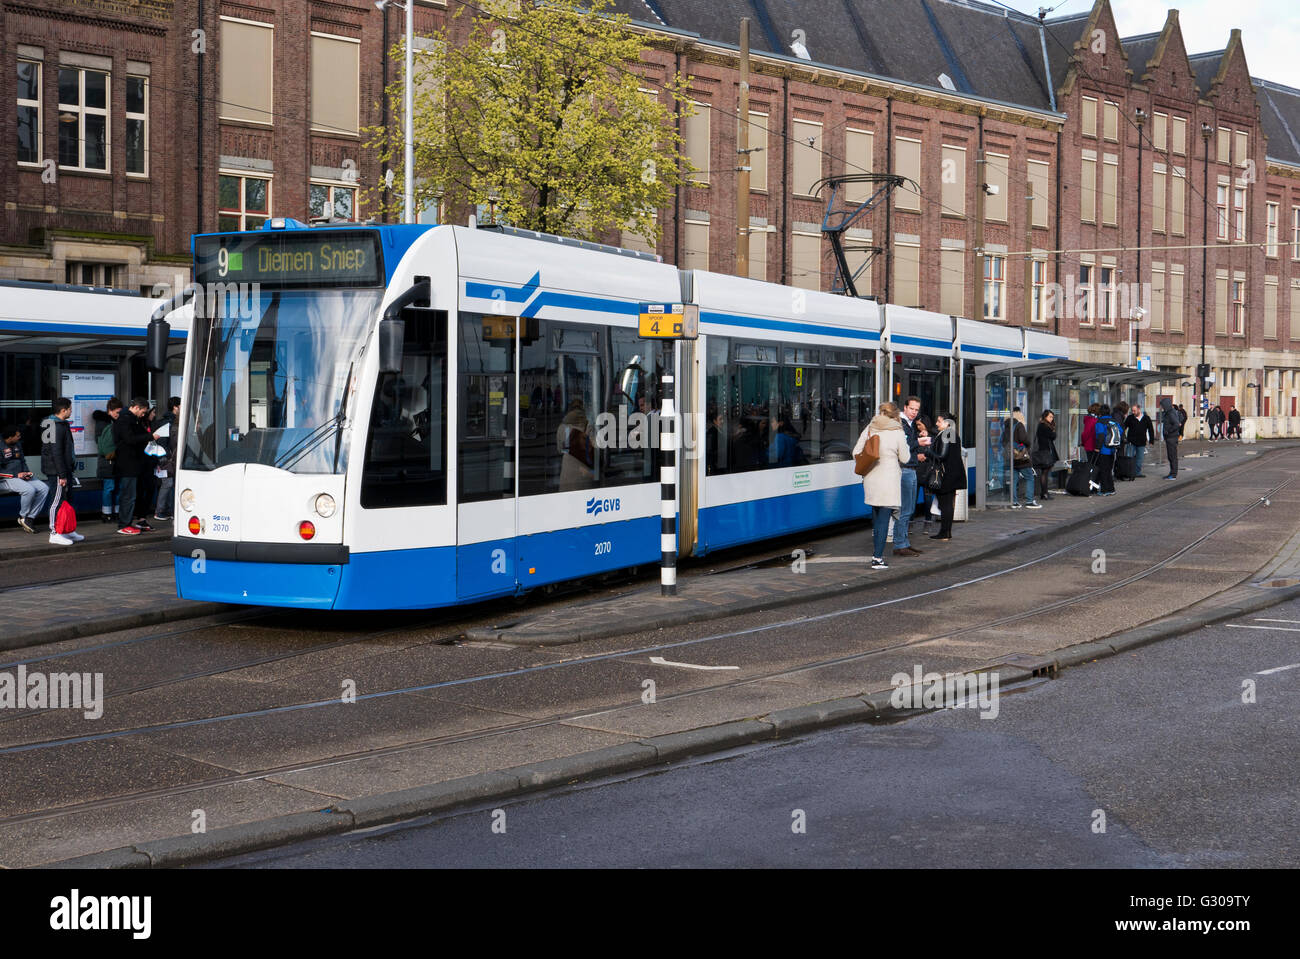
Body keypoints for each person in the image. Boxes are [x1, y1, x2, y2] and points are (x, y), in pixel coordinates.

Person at [853, 402, 910, 569]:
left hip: (871, 478)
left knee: (877, 518)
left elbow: (856, 451)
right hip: (889, 480)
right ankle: (877, 558)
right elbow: (905, 458)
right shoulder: (897, 431)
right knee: (883, 520)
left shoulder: (871, 428)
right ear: (895, 415)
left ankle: (876, 554)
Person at [40, 397, 82, 546]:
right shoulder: (56, 426)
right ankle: (54, 532)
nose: (71, 411)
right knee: (56, 501)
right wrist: (62, 474)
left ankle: (66, 530)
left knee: (66, 500)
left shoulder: (57, 424)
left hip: (63, 469)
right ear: (63, 410)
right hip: (57, 470)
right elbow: (56, 452)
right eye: (70, 409)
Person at [112, 397, 153, 534]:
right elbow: (129, 439)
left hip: (133, 463)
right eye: (143, 412)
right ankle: (124, 524)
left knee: (132, 494)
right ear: (136, 408)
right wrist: (150, 437)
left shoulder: (132, 420)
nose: (143, 415)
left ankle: (128, 522)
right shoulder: (125, 420)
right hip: (127, 464)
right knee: (128, 495)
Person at [894, 396, 926, 557]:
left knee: (909, 508)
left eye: (916, 410)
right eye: (912, 409)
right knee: (905, 509)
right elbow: (904, 446)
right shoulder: (901, 424)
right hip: (905, 469)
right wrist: (919, 443)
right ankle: (900, 544)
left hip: (911, 468)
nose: (914, 412)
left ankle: (904, 542)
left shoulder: (910, 424)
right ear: (905, 408)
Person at [1, 424, 49, 533]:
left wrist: (27, 472)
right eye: (17, 436)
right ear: (9, 437)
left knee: (44, 488)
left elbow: (22, 461)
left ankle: (29, 518)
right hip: (6, 478)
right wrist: (15, 475)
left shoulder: (17, 443)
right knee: (29, 490)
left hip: (20, 476)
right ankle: (23, 516)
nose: (20, 437)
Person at [928, 412, 967, 541]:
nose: (937, 423)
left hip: (946, 475)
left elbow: (942, 455)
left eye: (939, 421)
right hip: (952, 474)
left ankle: (945, 532)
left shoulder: (946, 434)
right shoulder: (951, 433)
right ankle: (946, 532)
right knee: (948, 503)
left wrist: (928, 452)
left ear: (947, 423)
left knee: (945, 504)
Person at [556, 398, 596, 490]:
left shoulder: (562, 427)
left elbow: (559, 450)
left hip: (567, 468)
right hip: (583, 469)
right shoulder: (588, 425)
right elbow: (593, 447)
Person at [94, 398, 122, 523]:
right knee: (110, 487)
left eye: (120, 412)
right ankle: (107, 513)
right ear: (109, 411)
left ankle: (115, 512)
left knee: (116, 488)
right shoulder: (104, 424)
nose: (118, 415)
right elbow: (103, 446)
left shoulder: (113, 423)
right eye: (116, 412)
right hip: (108, 461)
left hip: (115, 461)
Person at [153, 396, 180, 521]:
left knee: (170, 483)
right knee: (167, 483)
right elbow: (162, 441)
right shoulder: (168, 422)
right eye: (180, 405)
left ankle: (168, 510)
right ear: (175, 407)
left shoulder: (171, 421)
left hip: (170, 458)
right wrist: (165, 457)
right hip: (165, 459)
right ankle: (160, 512)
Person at [1008, 408, 1040, 508]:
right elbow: (1023, 439)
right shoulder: (1019, 425)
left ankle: (1013, 502)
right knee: (1030, 477)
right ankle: (1029, 501)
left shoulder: (1007, 425)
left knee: (1014, 479)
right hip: (1021, 458)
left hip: (1011, 457)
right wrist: (1027, 444)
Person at [1093, 403, 1120, 494]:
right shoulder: (1113, 421)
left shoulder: (1100, 422)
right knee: (1108, 470)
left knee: (1103, 471)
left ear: (1100, 413)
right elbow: (1121, 431)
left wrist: (1097, 448)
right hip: (1112, 449)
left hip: (1103, 450)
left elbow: (1100, 435)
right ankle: (1111, 489)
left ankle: (1105, 490)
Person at [1032, 410, 1059, 501]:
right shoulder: (1044, 426)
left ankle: (1044, 493)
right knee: (1044, 473)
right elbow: (1053, 436)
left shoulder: (1043, 425)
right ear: (1045, 417)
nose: (1052, 419)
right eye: (1050, 417)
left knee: (1045, 473)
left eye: (1052, 417)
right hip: (1045, 451)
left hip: (1045, 451)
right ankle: (1044, 493)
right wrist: (1053, 430)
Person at [1123, 403, 1155, 478]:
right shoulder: (1130, 418)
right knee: (1129, 458)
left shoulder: (1146, 418)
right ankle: (1128, 472)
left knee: (1139, 459)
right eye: (1132, 411)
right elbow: (1124, 427)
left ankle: (1137, 472)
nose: (1133, 412)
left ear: (1139, 409)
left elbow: (1151, 429)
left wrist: (1151, 440)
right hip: (1131, 441)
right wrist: (1123, 437)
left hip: (1141, 442)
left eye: (1134, 411)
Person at [1160, 396, 1180, 479]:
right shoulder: (1168, 412)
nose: (1161, 407)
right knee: (1171, 456)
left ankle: (1173, 474)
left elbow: (1176, 424)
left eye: (1162, 405)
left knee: (1172, 456)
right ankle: (1172, 473)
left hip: (1171, 437)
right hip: (1170, 437)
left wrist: (1168, 431)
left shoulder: (1171, 413)